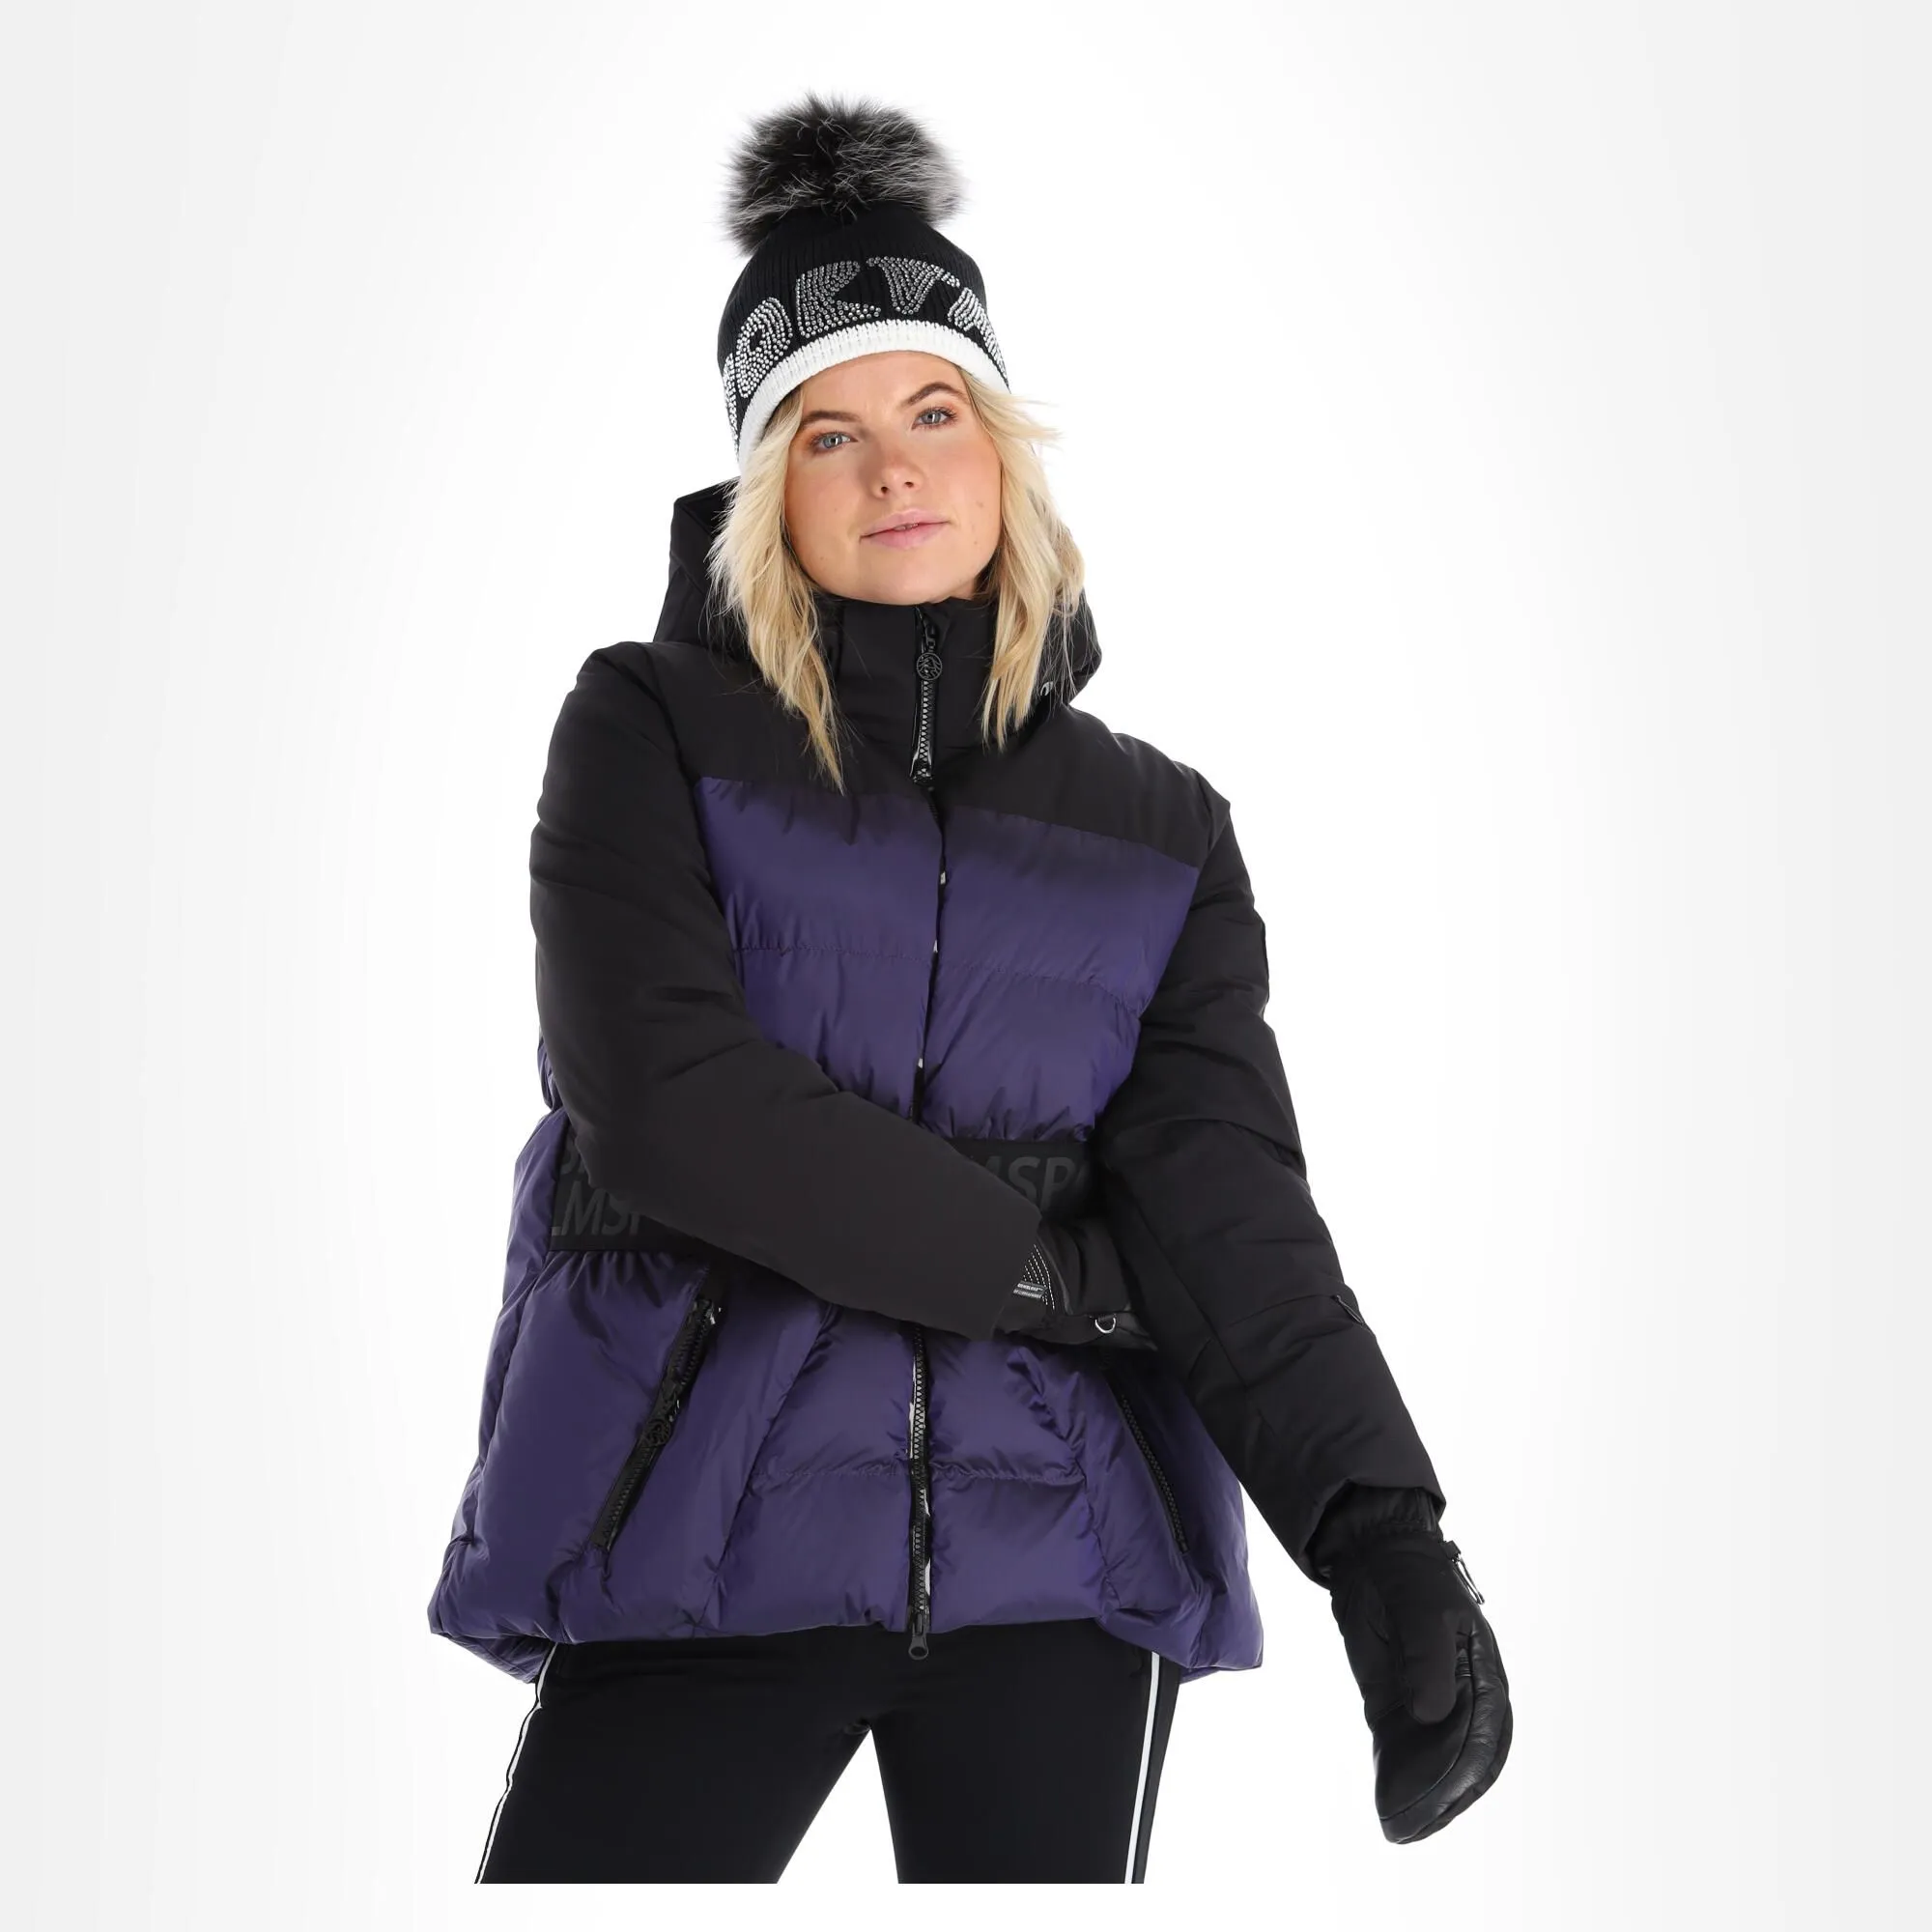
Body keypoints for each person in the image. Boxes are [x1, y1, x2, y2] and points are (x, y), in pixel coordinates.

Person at [426, 90, 1512, 1885]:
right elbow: (675, 1108)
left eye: (934, 411)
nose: (895, 471)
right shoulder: (648, 728)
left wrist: (1385, 1536)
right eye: (829, 433)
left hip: (1060, 1552)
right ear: (767, 490)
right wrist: (1049, 1275)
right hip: (699, 1527)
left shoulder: (1160, 829)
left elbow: (1225, 1203)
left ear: (1004, 450)